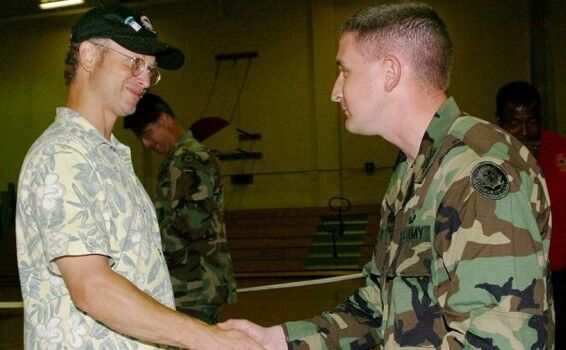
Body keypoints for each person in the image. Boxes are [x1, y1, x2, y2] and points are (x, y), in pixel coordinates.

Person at [220, 2, 554, 349]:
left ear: (390, 72)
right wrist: (278, 340)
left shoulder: (478, 171)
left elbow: (501, 343)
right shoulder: (413, 169)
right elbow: (377, 309)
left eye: (345, 71)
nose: (335, 91)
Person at [15, 3, 260, 349]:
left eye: (150, 69)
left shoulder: (108, 158)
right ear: (87, 55)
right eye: (134, 62)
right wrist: (207, 339)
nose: (145, 79)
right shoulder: (62, 155)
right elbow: (92, 288)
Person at [123, 93, 237, 325]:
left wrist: (143, 248)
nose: (145, 143)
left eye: (146, 133)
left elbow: (193, 225)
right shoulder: (178, 160)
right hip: (189, 282)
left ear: (164, 120)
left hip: (194, 285)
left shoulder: (190, 160)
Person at [496, 80, 566, 348]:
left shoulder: (560, 150)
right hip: (515, 279)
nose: (525, 131)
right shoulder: (491, 156)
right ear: (500, 122)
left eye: (532, 121)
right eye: (514, 122)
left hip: (560, 274)